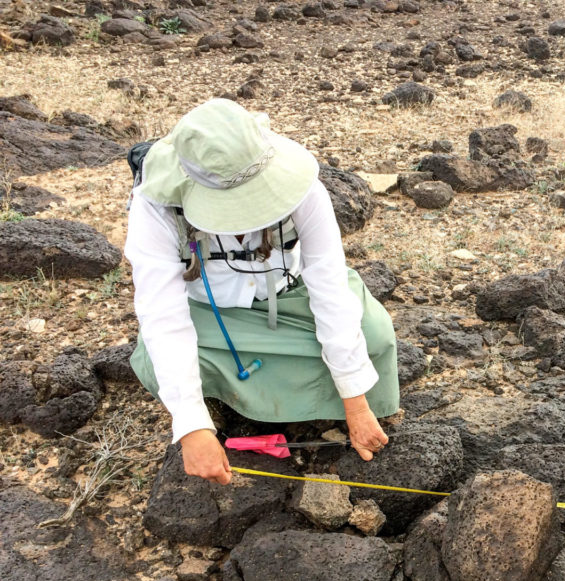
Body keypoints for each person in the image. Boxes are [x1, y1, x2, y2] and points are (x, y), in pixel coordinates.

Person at [125, 98, 399, 485]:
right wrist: (191, 428)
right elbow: (163, 316)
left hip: (289, 299)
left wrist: (355, 403)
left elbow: (328, 282)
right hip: (208, 315)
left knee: (372, 336)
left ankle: (319, 406)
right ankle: (215, 412)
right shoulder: (154, 206)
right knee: (157, 363)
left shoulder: (303, 186)